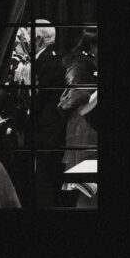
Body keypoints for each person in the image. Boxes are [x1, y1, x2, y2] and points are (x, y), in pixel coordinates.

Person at [14, 20, 66, 208]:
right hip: (45, 127)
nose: (25, 40)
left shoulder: (49, 62)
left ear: (38, 38)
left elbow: (39, 97)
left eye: (27, 34)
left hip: (47, 129)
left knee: (45, 178)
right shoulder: (45, 59)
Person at [58, 28, 98, 207]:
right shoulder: (81, 64)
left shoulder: (86, 63)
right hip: (86, 128)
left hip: (89, 125)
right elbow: (80, 105)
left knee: (91, 185)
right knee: (88, 182)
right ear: (94, 45)